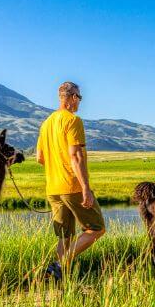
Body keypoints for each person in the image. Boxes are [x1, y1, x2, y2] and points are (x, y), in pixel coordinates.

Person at [37, 81, 105, 281]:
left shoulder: (46, 123)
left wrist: (56, 166)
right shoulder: (73, 121)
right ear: (72, 97)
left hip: (53, 188)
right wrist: (85, 188)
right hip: (71, 185)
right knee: (96, 228)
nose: (79, 102)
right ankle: (60, 264)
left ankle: (59, 277)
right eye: (79, 97)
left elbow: (40, 158)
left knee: (64, 236)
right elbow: (76, 157)